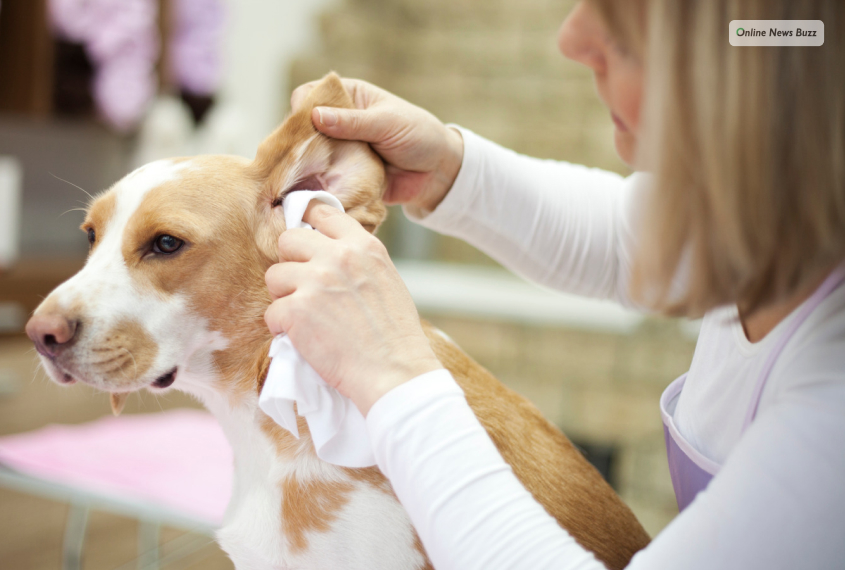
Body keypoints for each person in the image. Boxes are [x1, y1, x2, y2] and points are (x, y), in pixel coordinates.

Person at [264, 0, 845, 568]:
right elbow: (624, 238)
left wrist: (392, 373)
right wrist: (445, 167)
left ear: (755, 78)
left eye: (625, 31)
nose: (572, 40)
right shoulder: (778, 214)